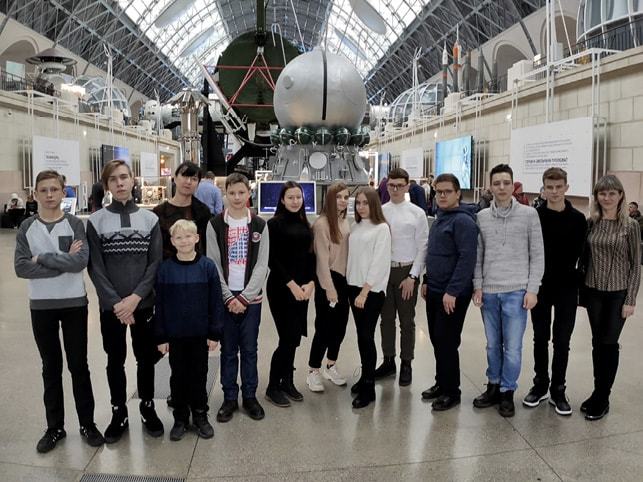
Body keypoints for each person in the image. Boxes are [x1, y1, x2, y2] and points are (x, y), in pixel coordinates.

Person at [14, 170, 104, 453]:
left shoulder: (76, 224)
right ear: (36, 194)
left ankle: (87, 424)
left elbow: (79, 263)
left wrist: (42, 258)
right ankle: (55, 428)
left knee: (79, 366)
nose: (50, 194)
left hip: (74, 303)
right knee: (50, 368)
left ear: (63, 192)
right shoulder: (27, 227)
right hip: (41, 307)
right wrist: (62, 261)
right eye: (44, 190)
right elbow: (21, 267)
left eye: (55, 189)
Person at [87, 160, 164, 443]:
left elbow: (155, 263)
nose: (119, 183)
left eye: (124, 177)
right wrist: (117, 303)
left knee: (146, 359)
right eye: (113, 179)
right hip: (112, 309)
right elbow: (95, 267)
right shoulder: (95, 222)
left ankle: (147, 406)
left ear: (133, 180)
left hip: (142, 305)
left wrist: (135, 298)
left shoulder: (150, 220)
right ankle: (118, 411)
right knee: (114, 360)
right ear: (106, 185)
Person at [472, 164, 544, 418]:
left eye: (506, 182)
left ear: (513, 185)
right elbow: (478, 255)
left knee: (512, 348)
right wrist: (478, 285)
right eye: (497, 183)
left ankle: (507, 391)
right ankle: (493, 386)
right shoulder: (481, 216)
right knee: (492, 345)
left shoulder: (528, 215)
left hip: (516, 292)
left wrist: (532, 289)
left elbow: (537, 255)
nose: (501, 187)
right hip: (489, 292)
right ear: (490, 187)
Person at [522, 168, 586, 416]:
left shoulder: (579, 219)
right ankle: (541, 385)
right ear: (543, 188)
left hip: (567, 289)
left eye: (559, 187)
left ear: (566, 188)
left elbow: (582, 255)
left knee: (562, 340)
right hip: (540, 286)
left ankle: (559, 388)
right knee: (540, 337)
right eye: (550, 187)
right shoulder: (534, 216)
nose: (555, 191)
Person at [206, 173, 269, 423]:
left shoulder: (259, 225)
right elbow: (213, 263)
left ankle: (250, 396)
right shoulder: (215, 225)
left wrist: (244, 298)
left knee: (250, 349)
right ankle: (229, 397)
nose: (236, 197)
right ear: (225, 194)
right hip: (225, 299)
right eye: (232, 193)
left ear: (249, 194)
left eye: (241, 193)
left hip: (250, 301)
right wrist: (227, 296)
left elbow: (262, 265)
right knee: (228, 350)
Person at [154, 220, 224, 441]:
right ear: (172, 241)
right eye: (179, 237)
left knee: (199, 374)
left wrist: (215, 333)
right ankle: (180, 417)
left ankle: (200, 414)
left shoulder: (207, 267)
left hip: (199, 334)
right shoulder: (165, 269)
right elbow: (161, 305)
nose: (184, 241)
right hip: (176, 335)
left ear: (197, 238)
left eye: (188, 236)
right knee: (178, 376)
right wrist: (161, 335)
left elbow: (215, 303)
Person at [581, 174, 640, 421]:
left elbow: (636, 264)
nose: (606, 198)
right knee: (597, 343)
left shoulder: (631, 226)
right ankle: (597, 392)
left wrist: (631, 299)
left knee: (609, 343)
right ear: (596, 197)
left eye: (612, 193)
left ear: (620, 196)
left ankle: (603, 397)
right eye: (602, 194)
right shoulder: (591, 223)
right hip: (593, 291)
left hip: (618, 294)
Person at [420, 173, 478, 411]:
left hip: (452, 294)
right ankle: (441, 383)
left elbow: (467, 259)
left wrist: (452, 291)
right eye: (438, 191)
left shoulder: (463, 222)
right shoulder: (440, 217)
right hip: (434, 289)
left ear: (457, 194)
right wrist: (426, 279)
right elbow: (433, 253)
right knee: (436, 339)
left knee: (446, 341)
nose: (441, 195)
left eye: (446, 191)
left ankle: (451, 391)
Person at [375, 168, 429, 386]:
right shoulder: (380, 211)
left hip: (406, 272)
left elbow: (423, 247)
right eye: (391, 185)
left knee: (406, 321)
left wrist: (413, 277)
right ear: (387, 187)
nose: (395, 189)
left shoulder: (417, 213)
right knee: (386, 319)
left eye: (399, 185)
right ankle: (388, 361)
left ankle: (406, 362)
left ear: (407, 186)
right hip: (384, 272)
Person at [265, 181, 316, 407]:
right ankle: (273, 386)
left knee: (294, 338)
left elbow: (309, 257)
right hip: (281, 288)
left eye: (298, 197)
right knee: (286, 338)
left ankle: (288, 381)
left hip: (302, 289)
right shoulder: (274, 225)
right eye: (291, 197)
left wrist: (311, 283)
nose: (295, 201)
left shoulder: (306, 224)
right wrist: (292, 284)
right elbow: (272, 259)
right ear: (283, 200)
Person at [347, 187, 391, 408]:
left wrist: (365, 291)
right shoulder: (355, 226)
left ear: (374, 204)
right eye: (358, 203)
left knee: (366, 336)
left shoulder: (381, 228)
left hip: (370, 292)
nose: (361, 207)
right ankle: (365, 377)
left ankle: (369, 386)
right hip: (353, 288)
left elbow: (379, 262)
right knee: (361, 337)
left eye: (365, 203)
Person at [306, 182, 351, 392]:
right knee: (323, 328)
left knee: (340, 328)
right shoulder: (322, 224)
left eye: (345, 197)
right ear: (329, 199)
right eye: (339, 197)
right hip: (328, 281)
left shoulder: (345, 222)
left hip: (344, 280)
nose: (343, 200)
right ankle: (313, 371)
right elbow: (321, 261)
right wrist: (329, 288)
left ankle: (330, 365)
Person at [153, 162, 212, 260]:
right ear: (175, 178)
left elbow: (205, 245)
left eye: (194, 179)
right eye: (184, 176)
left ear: (198, 184)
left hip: (196, 268)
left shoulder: (203, 211)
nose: (188, 181)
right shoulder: (159, 212)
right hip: (167, 268)